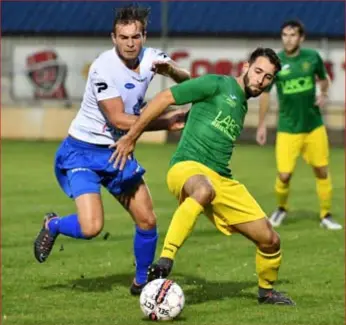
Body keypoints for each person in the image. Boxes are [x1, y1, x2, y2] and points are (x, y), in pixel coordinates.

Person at [110, 47, 295, 305]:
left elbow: (191, 86)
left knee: (270, 239)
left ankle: (266, 292)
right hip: (187, 167)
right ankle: (164, 262)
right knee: (204, 190)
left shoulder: (240, 103)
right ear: (246, 67)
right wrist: (131, 137)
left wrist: (175, 71)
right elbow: (165, 97)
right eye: (257, 72)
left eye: (267, 77)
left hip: (222, 179)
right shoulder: (218, 82)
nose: (260, 80)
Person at [33, 4, 190, 296]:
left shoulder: (153, 57)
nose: (130, 43)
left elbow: (189, 82)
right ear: (113, 38)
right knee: (92, 227)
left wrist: (173, 70)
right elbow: (118, 119)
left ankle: (142, 282)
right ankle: (52, 225)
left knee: (148, 220)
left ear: (144, 36)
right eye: (124, 37)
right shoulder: (102, 68)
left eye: (136, 37)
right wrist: (167, 122)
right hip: (82, 152)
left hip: (118, 151)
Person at [256, 20, 342, 230]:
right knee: (284, 175)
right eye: (285, 35)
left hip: (314, 126)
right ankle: (281, 208)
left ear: (301, 38)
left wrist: (323, 94)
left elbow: (324, 79)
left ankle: (326, 215)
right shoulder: (275, 63)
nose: (288, 39)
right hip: (287, 128)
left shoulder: (312, 57)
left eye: (293, 35)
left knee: (321, 170)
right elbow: (265, 95)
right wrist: (261, 125)